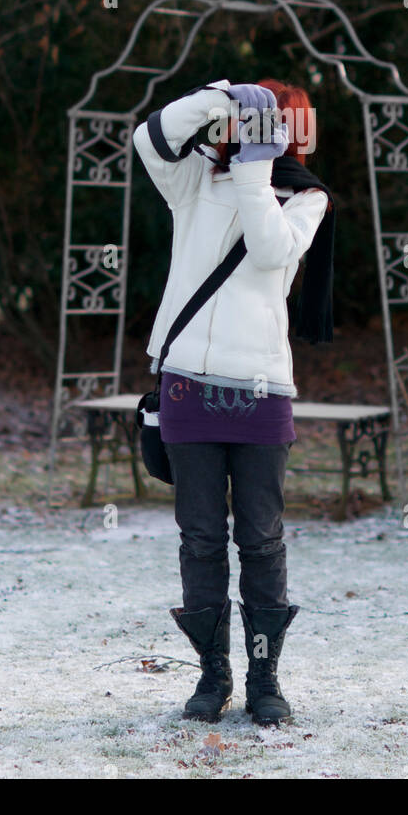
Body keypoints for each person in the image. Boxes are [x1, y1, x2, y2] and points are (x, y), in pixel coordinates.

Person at [132, 77, 335, 724]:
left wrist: (257, 169)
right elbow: (149, 136)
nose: (253, 128)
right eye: (252, 118)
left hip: (262, 389)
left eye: (270, 119)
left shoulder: (306, 198)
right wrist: (220, 95)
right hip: (188, 382)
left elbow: (273, 249)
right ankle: (211, 678)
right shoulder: (194, 179)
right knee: (198, 539)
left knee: (261, 538)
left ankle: (264, 678)